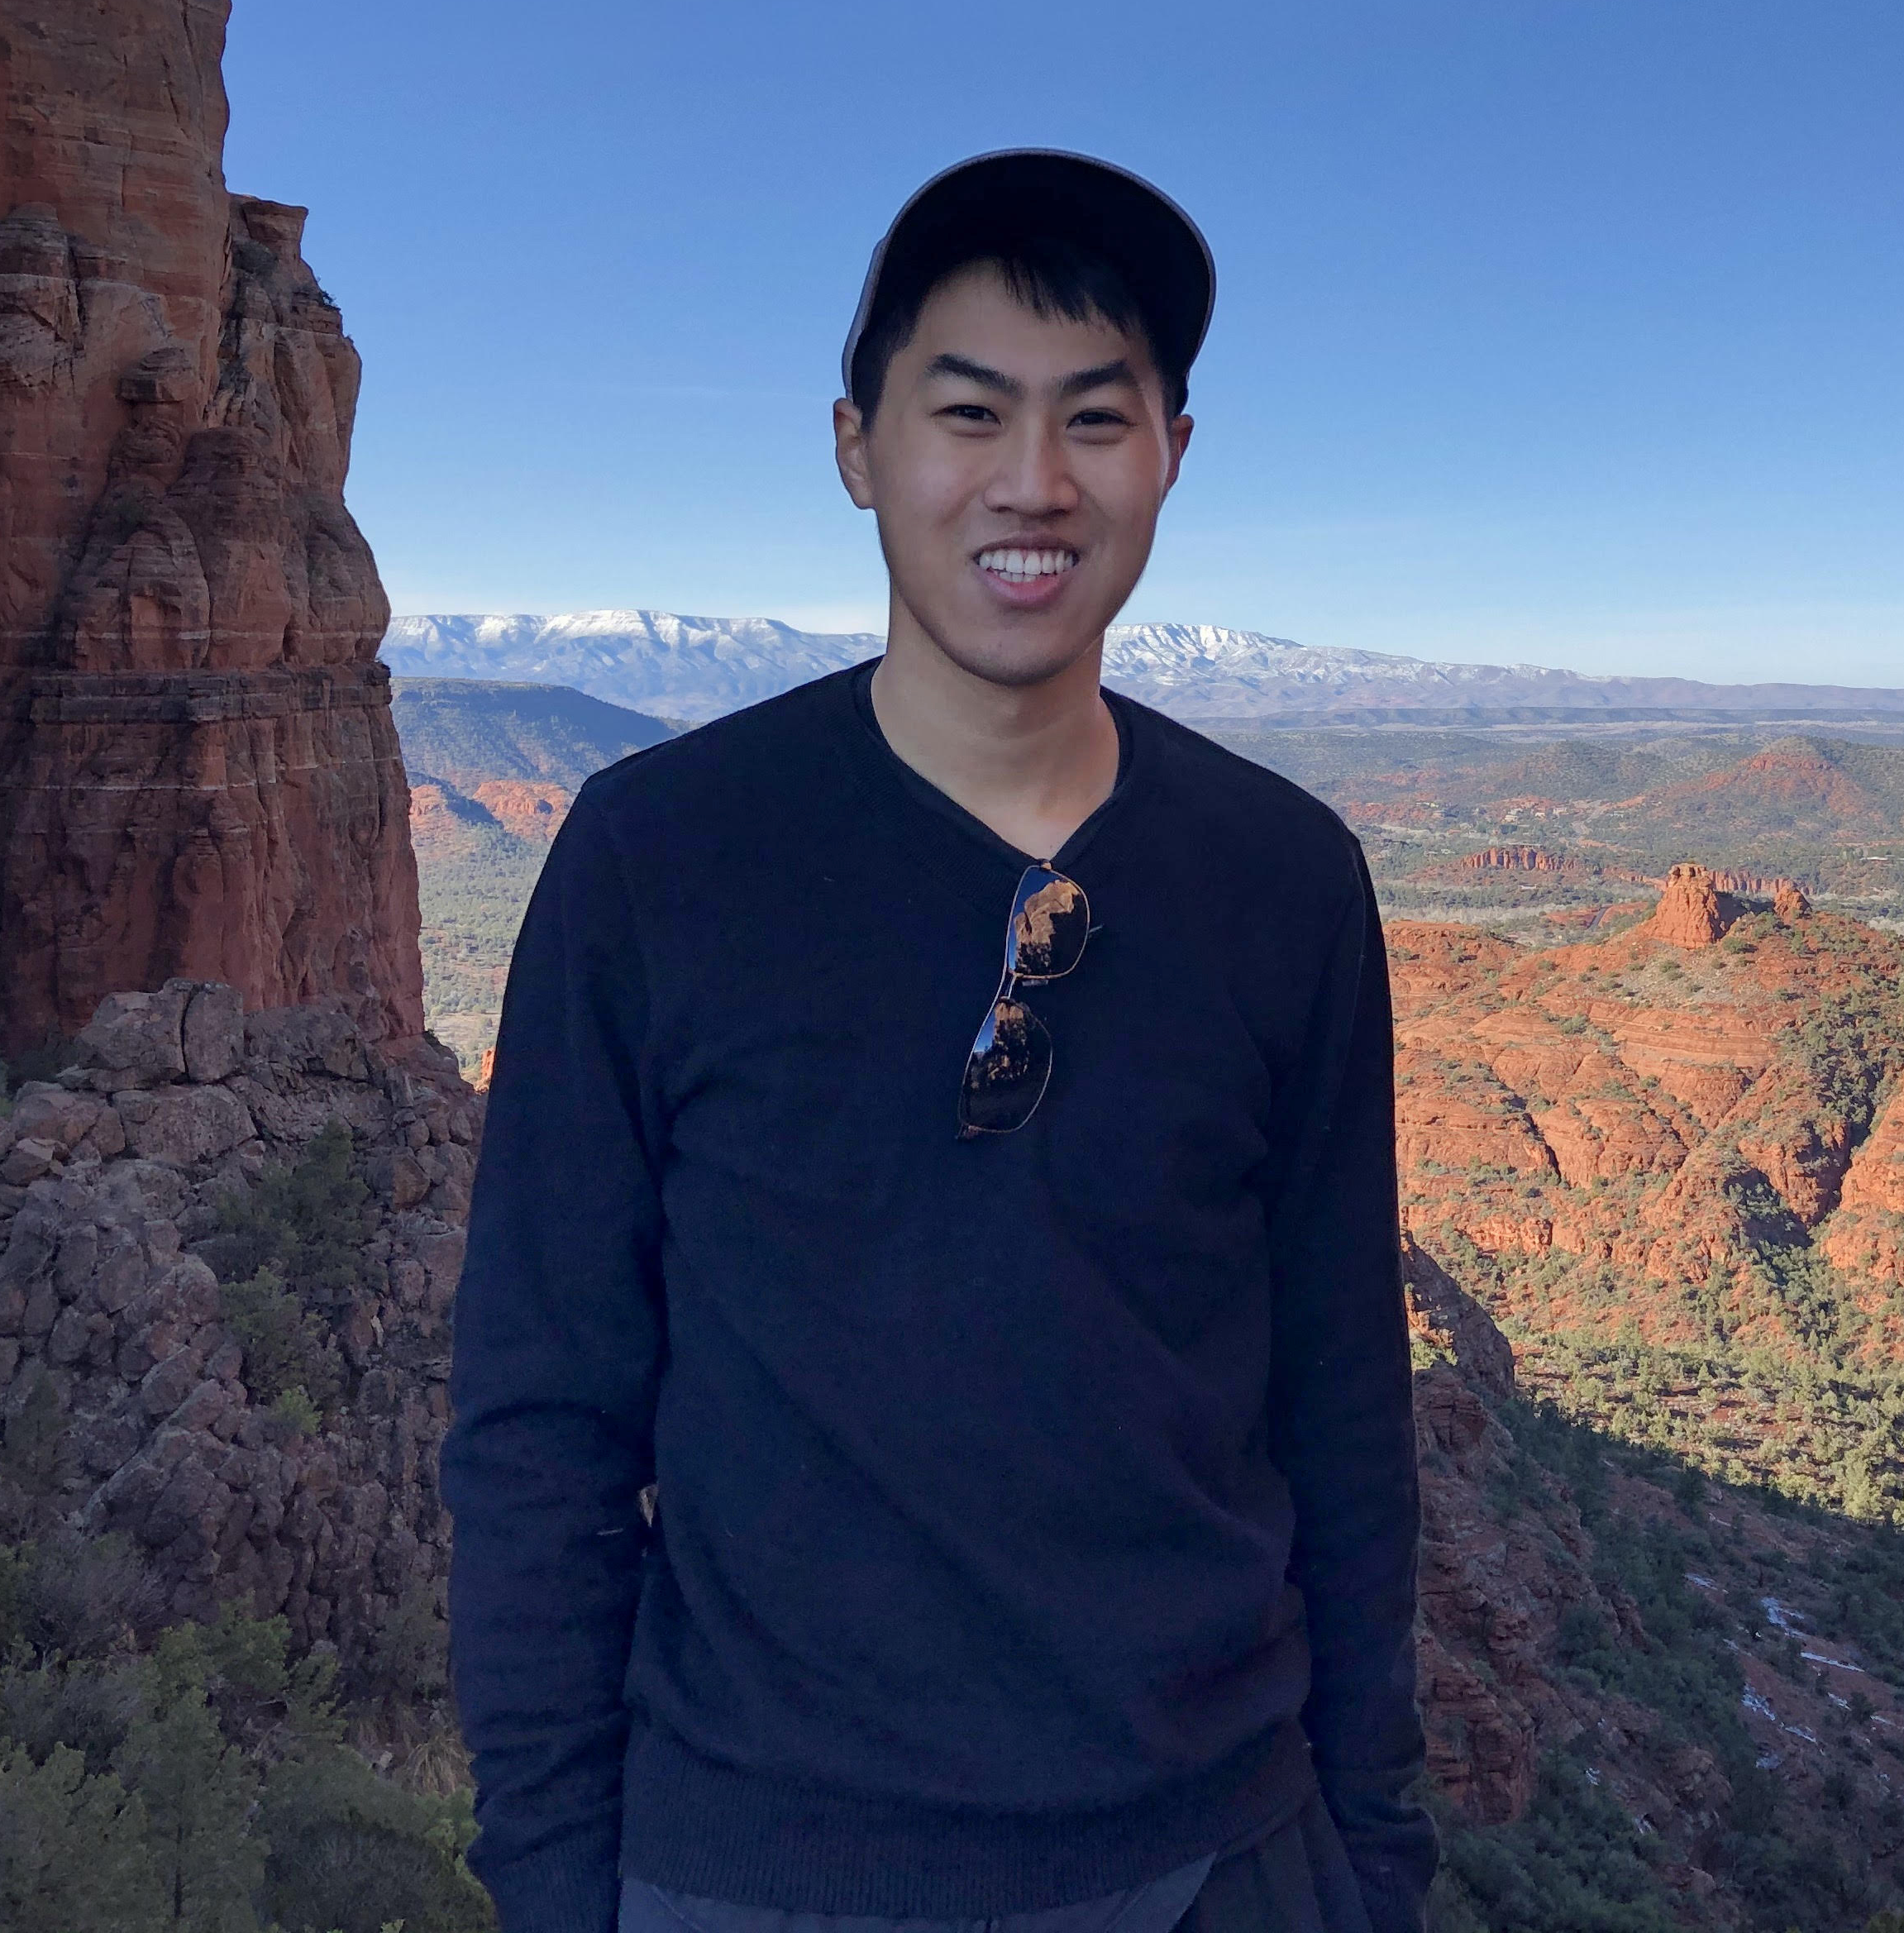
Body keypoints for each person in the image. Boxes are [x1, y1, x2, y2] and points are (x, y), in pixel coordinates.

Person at [442, 151, 1436, 1933]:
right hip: (761, 1865)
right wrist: (552, 1888)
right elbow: (545, 1421)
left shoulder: (1283, 878)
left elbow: (1344, 1404)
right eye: (968, 412)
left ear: (1174, 457)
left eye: (1096, 420)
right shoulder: (661, 859)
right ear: (857, 449)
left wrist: (1370, 1859)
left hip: (1224, 1856)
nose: (1032, 484)